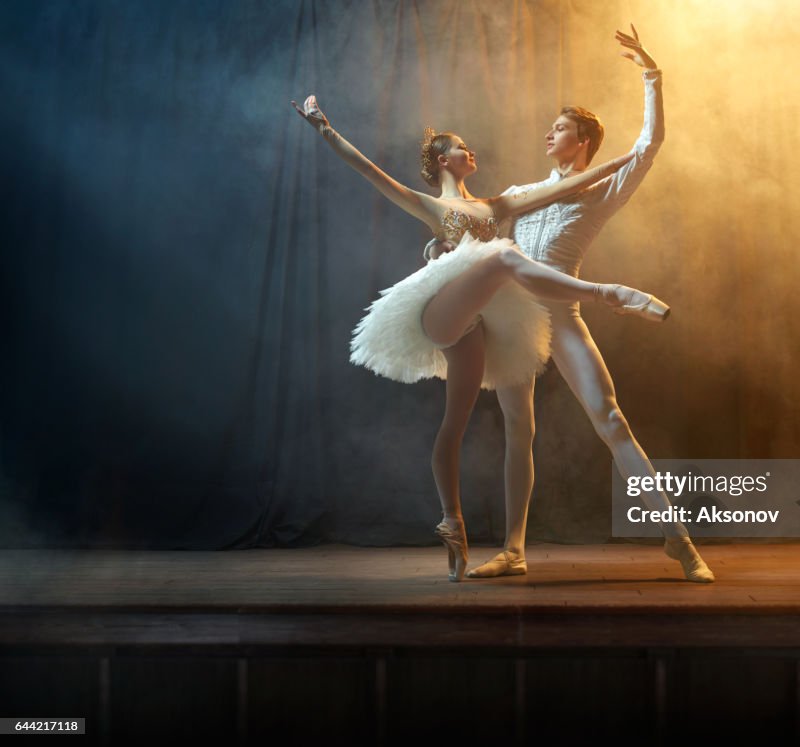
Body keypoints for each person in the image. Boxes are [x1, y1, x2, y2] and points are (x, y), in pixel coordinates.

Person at [291, 94, 670, 582]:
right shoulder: (446, 202)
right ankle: (608, 293)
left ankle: (456, 523)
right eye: (462, 148)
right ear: (443, 160)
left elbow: (574, 185)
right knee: (505, 262)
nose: (472, 152)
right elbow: (369, 171)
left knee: (466, 423)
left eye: (559, 128)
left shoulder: (500, 203)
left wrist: (627, 154)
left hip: (505, 318)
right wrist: (325, 129)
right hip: (461, 311)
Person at [424, 25, 715, 583]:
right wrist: (440, 249)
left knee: (610, 418)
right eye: (552, 127)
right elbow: (480, 242)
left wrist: (652, 75)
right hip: (512, 319)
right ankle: (513, 549)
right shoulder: (527, 192)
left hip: (562, 315)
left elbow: (647, 146)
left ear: (582, 141)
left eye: (560, 129)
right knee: (519, 431)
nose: (549, 134)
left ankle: (677, 539)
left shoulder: (601, 190)